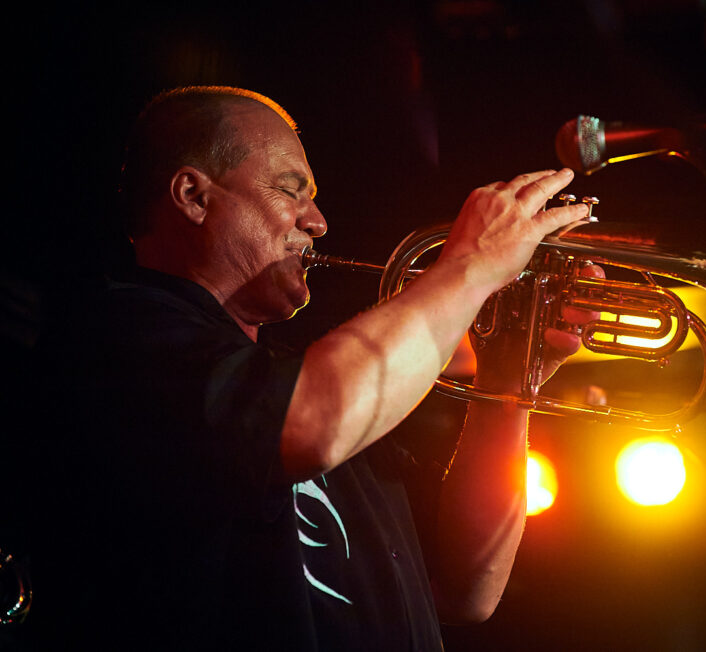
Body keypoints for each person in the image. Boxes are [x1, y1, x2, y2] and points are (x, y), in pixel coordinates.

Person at [21, 86, 594, 651]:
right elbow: (312, 424)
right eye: (289, 190)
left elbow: (470, 590)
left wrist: (507, 383)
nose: (317, 221)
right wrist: (472, 265)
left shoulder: (296, 373)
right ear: (193, 196)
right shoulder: (114, 336)